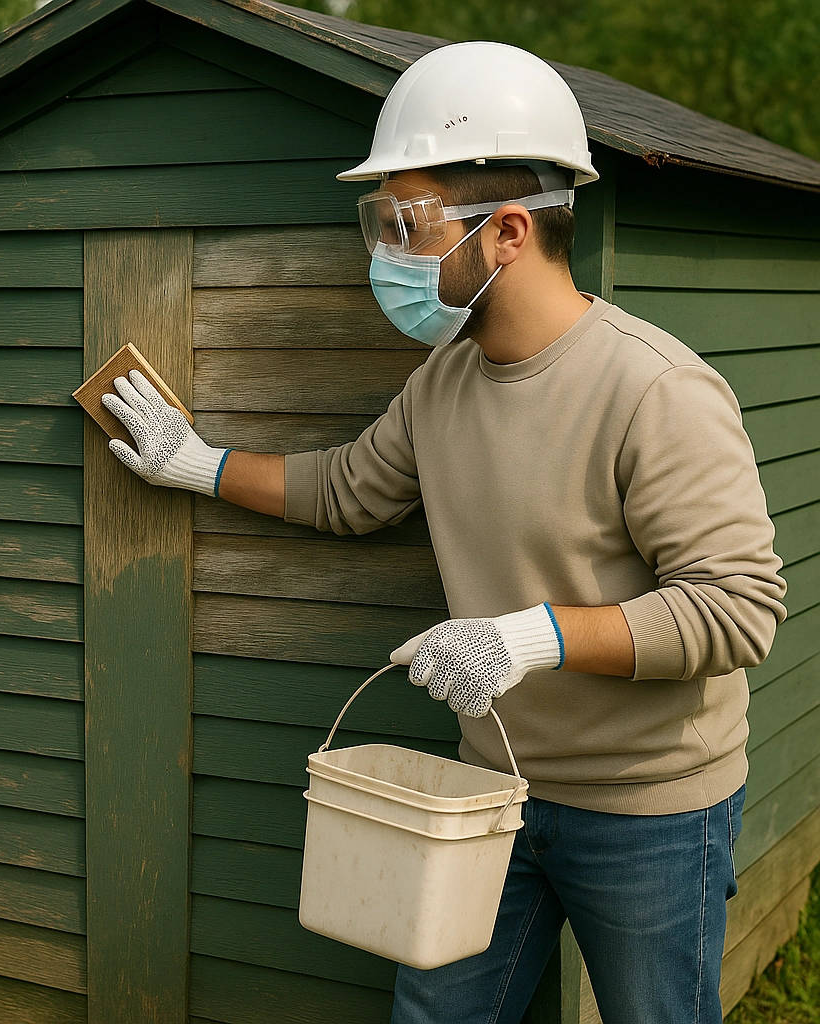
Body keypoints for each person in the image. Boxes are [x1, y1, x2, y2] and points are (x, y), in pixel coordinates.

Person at [101, 41, 787, 1024]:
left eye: (406, 223)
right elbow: (348, 489)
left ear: (507, 231)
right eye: (378, 223)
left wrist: (527, 635)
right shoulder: (443, 383)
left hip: (650, 812)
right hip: (488, 794)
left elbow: (736, 610)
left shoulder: (653, 389)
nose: (386, 252)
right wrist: (196, 464)